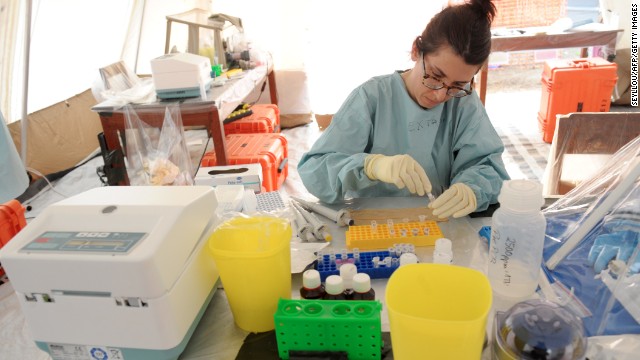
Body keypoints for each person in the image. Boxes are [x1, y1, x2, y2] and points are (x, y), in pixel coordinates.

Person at [297, 0, 510, 218]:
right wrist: (371, 166)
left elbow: (490, 167)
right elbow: (315, 172)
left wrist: (472, 188)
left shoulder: (463, 103)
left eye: (457, 86)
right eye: (435, 77)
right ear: (416, 51)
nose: (441, 95)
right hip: (371, 225)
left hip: (436, 225)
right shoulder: (372, 98)